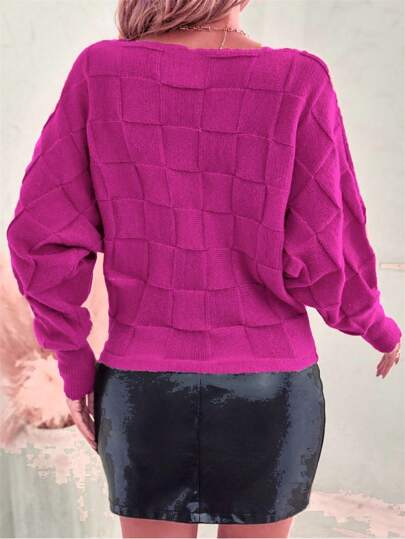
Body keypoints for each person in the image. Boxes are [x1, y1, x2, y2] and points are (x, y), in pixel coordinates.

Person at [6, 0, 402, 537]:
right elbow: (327, 244)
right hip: (270, 389)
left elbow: (41, 235)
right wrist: (376, 326)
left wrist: (75, 363)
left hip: (144, 391)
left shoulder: (101, 72)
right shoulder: (298, 79)